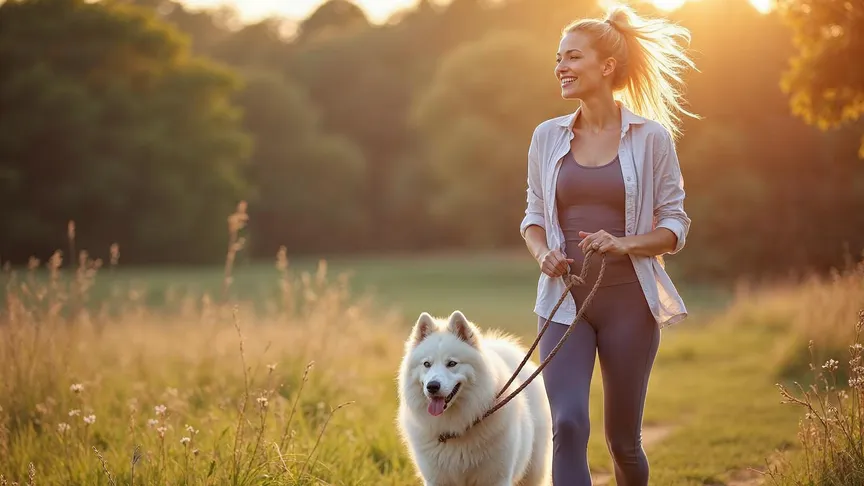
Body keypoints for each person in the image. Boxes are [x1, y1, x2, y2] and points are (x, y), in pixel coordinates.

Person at [519, 4, 696, 485]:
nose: (561, 66)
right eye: (558, 58)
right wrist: (544, 254)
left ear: (607, 66)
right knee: (568, 425)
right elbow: (533, 218)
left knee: (623, 442)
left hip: (630, 304)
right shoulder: (546, 137)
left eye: (573, 56)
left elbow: (675, 226)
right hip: (562, 305)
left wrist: (623, 244)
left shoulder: (651, 138)